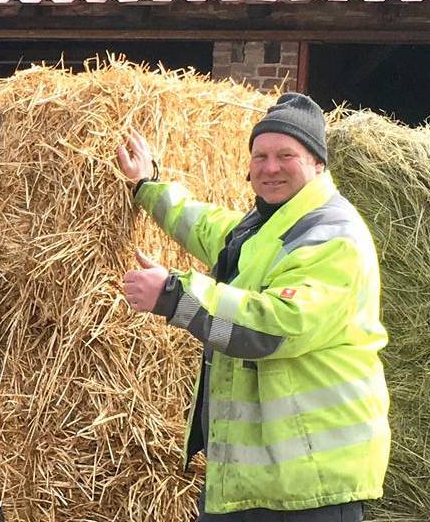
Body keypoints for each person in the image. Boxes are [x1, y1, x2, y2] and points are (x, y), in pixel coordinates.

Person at [115, 92, 389, 522]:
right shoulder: (266, 225)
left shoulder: (334, 235)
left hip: (308, 485)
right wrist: (147, 186)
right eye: (260, 155)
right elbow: (206, 226)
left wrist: (173, 295)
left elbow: (273, 327)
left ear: (318, 163)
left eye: (286, 155)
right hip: (258, 480)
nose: (270, 167)